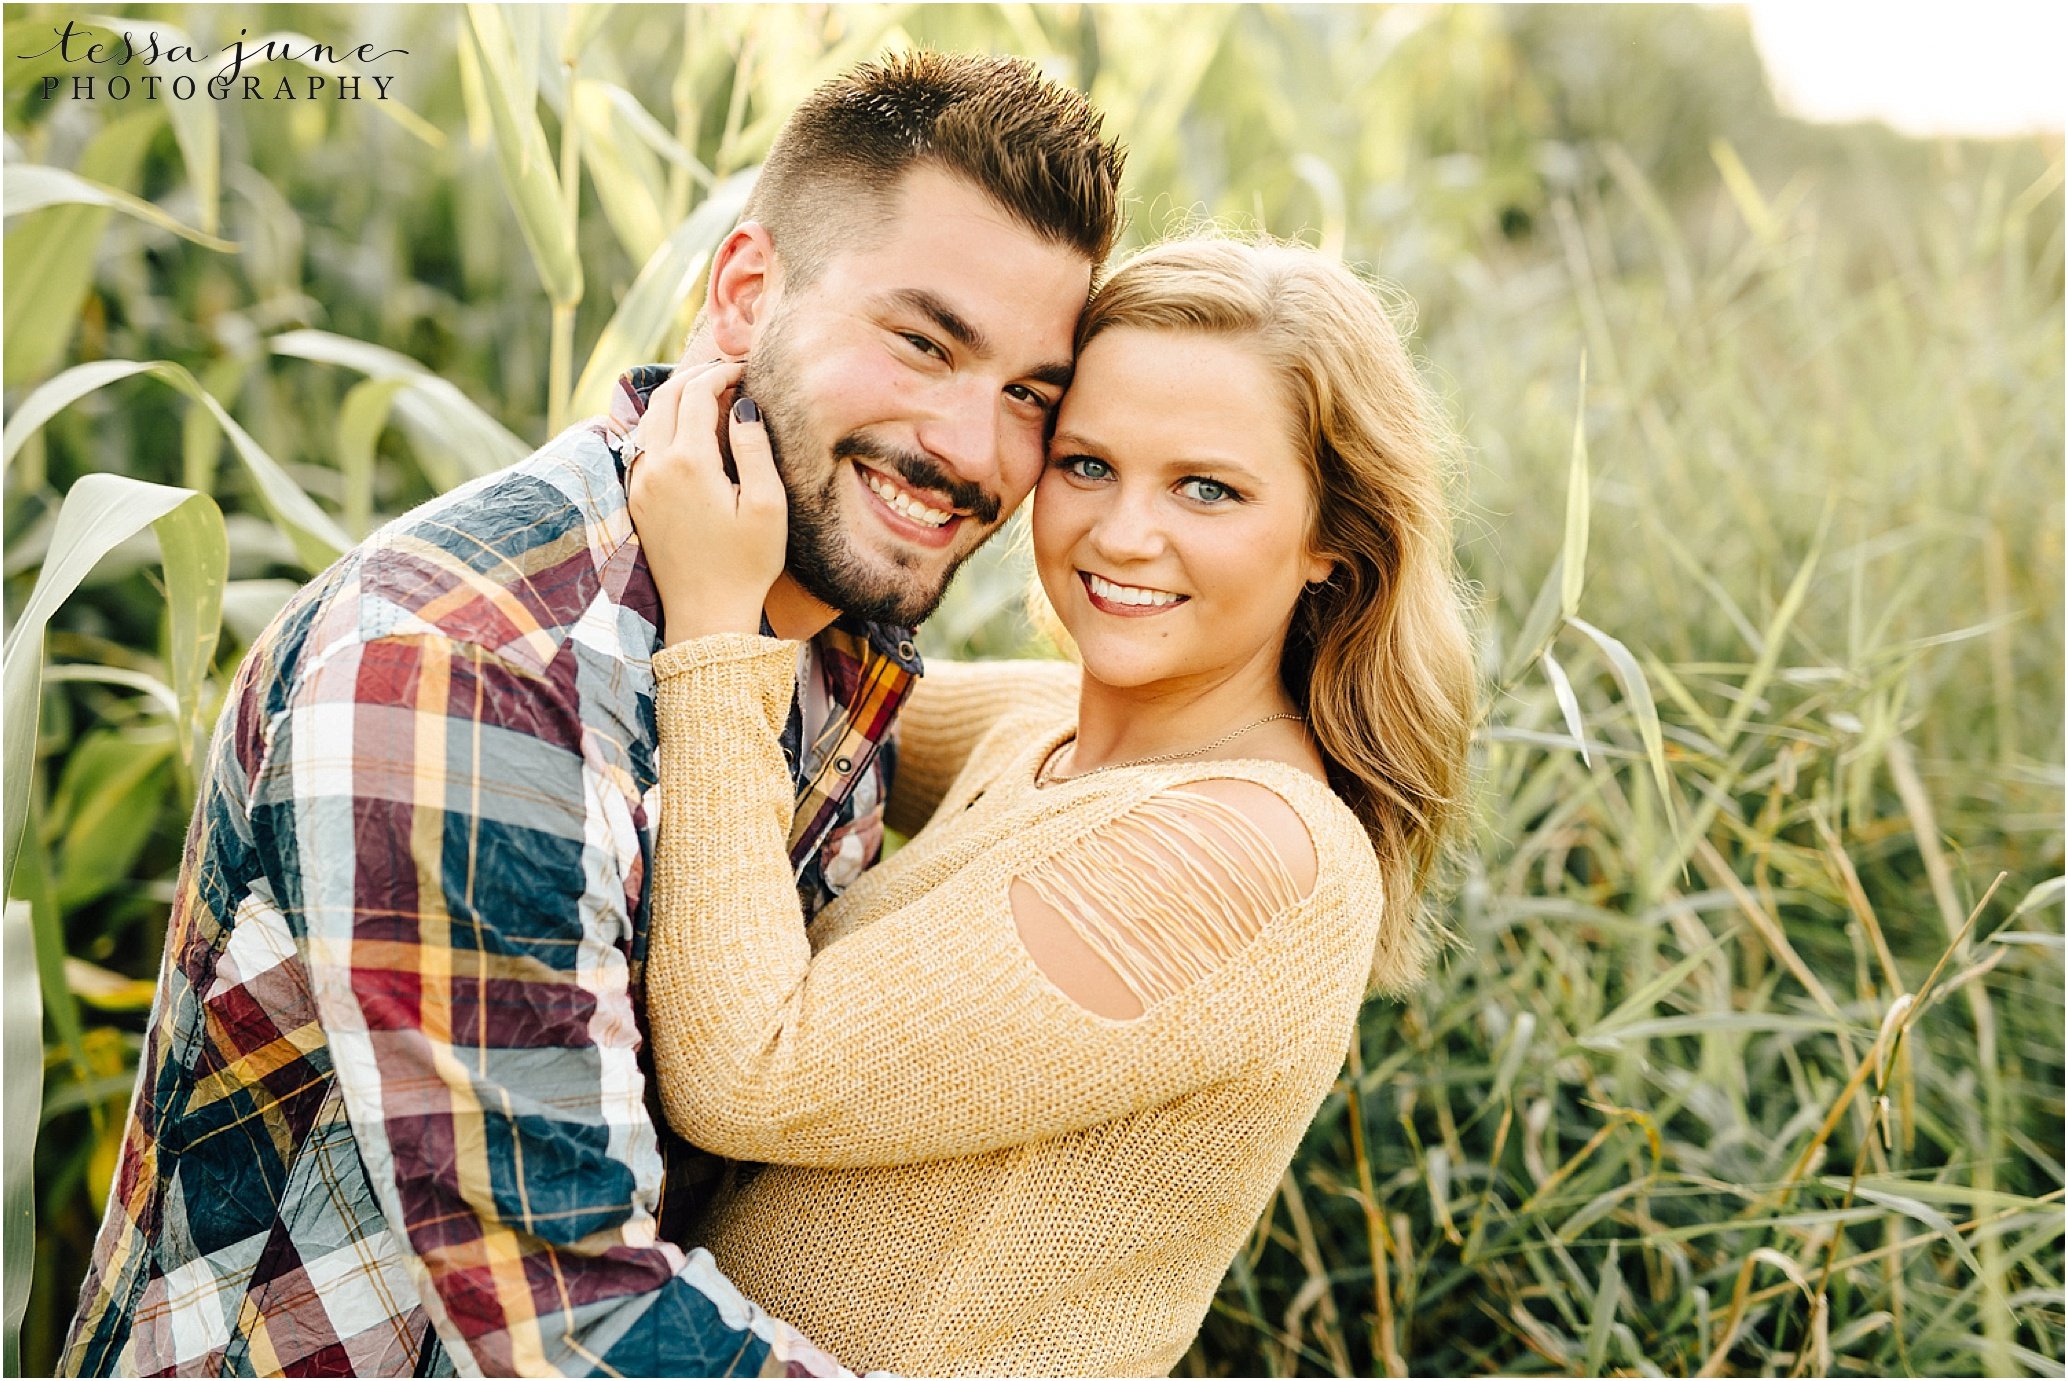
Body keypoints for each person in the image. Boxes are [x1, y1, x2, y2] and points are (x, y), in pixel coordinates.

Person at [60, 52, 1123, 1378]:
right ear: (747, 293)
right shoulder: (464, 675)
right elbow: (579, 1323)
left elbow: (1067, 735)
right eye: (923, 341)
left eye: (1032, 392)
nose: (975, 448)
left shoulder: (812, 634)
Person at [623, 237, 1480, 1375]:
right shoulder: (1055, 733)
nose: (1121, 534)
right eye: (1085, 465)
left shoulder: (1248, 849)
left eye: (1207, 488)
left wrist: (715, 620)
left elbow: (748, 1072)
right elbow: (829, 677)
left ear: (1333, 538)